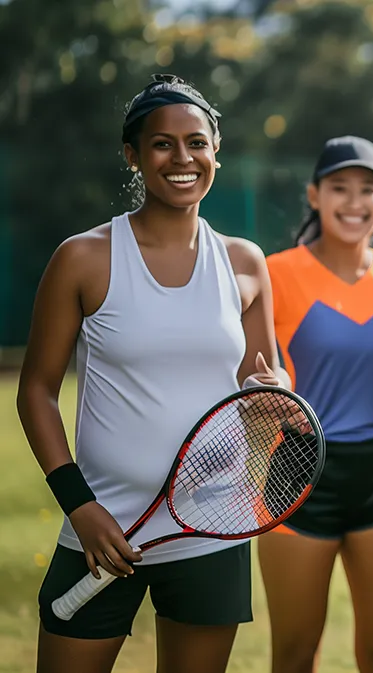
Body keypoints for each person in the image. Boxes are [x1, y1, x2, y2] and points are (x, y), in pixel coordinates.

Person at [17, 74, 286, 673]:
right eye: (163, 144)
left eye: (197, 142)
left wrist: (276, 395)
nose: (182, 158)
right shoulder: (82, 257)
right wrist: (81, 508)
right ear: (133, 155)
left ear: (216, 151)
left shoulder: (245, 263)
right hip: (101, 525)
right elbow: (36, 391)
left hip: (211, 530)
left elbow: (261, 385)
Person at [257, 135, 373, 673]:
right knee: (293, 654)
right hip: (297, 474)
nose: (353, 202)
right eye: (340, 188)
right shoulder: (274, 273)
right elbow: (252, 380)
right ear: (314, 195)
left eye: (367, 189)